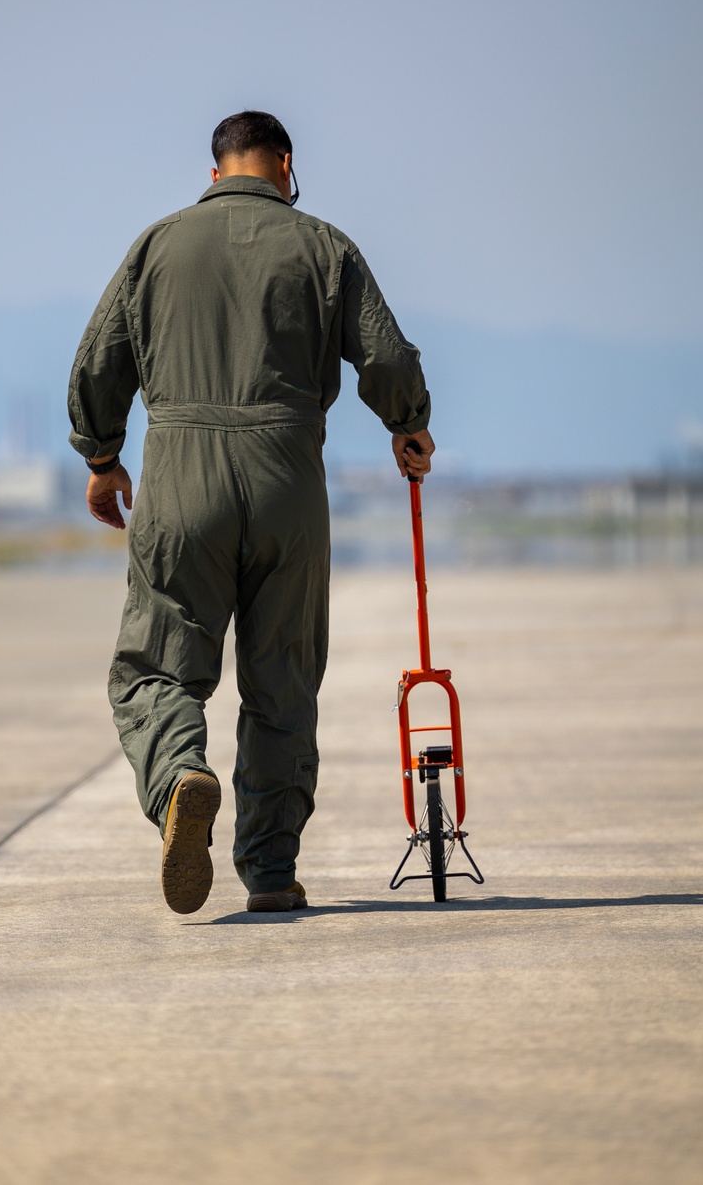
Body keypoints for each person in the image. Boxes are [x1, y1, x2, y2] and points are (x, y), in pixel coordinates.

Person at [68, 110, 433, 915]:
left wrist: (101, 457)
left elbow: (98, 363)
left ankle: (179, 779)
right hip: (287, 484)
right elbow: (386, 355)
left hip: (180, 480)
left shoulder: (158, 245)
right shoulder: (325, 246)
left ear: (215, 173)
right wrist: (409, 424)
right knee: (282, 680)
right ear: (285, 166)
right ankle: (269, 867)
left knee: (157, 665)